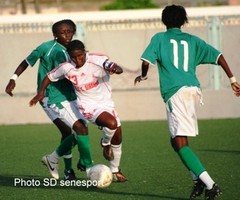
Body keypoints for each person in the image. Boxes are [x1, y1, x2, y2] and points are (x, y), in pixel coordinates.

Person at [134, 4, 240, 200]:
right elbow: (219, 56)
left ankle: (210, 184)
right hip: (192, 90)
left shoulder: (159, 38)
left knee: (180, 142)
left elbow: (145, 61)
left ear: (163, 21)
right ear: (184, 21)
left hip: (176, 92)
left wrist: (143, 75)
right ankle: (197, 179)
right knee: (176, 141)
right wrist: (233, 80)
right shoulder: (192, 40)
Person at [5, 19, 93, 180]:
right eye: (62, 32)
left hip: (71, 96)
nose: (66, 35)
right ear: (55, 35)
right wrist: (13, 79)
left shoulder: (76, 50)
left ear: (74, 31)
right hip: (49, 96)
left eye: (69, 31)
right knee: (68, 130)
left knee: (79, 130)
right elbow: (26, 61)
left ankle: (56, 159)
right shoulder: (46, 48)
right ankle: (71, 170)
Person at [29, 39, 128, 182]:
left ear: (85, 52)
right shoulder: (66, 67)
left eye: (80, 55)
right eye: (73, 57)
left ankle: (115, 170)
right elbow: (49, 77)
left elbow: (110, 64)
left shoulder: (97, 59)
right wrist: (41, 92)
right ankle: (104, 145)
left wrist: (115, 68)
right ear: (69, 56)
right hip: (87, 105)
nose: (77, 60)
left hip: (106, 103)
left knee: (118, 133)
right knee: (111, 124)